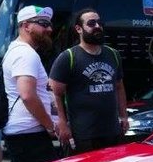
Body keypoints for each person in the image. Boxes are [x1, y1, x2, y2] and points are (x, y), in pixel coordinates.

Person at [48, 9, 128, 153]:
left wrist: (123, 116)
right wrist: (62, 124)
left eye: (99, 23)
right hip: (83, 135)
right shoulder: (68, 57)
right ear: (78, 29)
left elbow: (119, 87)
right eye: (91, 23)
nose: (97, 26)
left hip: (112, 131)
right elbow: (54, 93)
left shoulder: (113, 54)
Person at [2, 5, 59, 162]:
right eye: (43, 24)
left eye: (49, 24)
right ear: (26, 25)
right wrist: (50, 125)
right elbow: (27, 95)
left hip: (25, 132)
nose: (49, 29)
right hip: (29, 134)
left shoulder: (17, 50)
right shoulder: (25, 54)